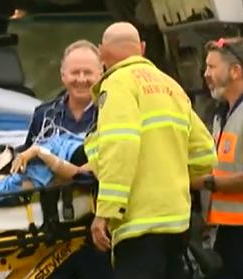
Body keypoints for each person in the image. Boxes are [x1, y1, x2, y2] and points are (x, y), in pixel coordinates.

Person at [86, 22, 217, 279]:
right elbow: (204, 153)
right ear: (142, 49)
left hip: (139, 224)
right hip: (177, 221)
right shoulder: (171, 86)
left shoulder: (118, 84)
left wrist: (106, 212)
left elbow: (119, 147)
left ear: (101, 53)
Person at [13, 39, 112, 279]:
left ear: (102, 74)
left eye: (88, 72)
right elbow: (28, 168)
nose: (81, 79)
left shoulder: (113, 115)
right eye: (74, 72)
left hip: (97, 228)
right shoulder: (44, 115)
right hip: (52, 232)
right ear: (62, 76)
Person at [191, 37, 243, 279]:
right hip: (223, 232)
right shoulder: (220, 115)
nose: (206, 74)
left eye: (212, 67)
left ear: (235, 71)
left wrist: (202, 182)